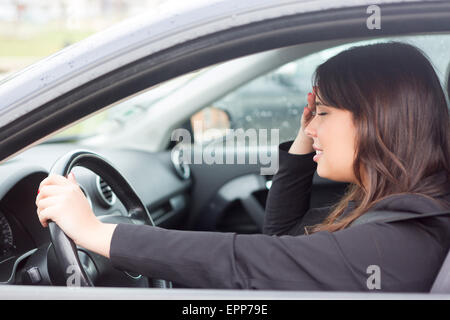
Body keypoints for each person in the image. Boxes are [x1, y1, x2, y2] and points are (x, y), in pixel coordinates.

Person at [35, 41, 450, 292]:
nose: (312, 126)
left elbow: (247, 261)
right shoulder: (408, 206)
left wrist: (96, 232)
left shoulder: (394, 242)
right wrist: (307, 134)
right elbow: (283, 239)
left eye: (322, 114)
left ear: (374, 120)